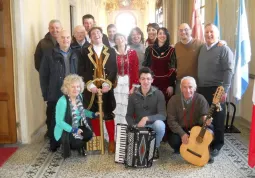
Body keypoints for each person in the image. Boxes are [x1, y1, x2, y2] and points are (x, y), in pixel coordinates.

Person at [78, 27, 117, 154]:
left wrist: (107, 83)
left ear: (102, 35)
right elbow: (82, 69)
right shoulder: (84, 51)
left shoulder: (110, 51)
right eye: (93, 34)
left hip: (106, 88)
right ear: (90, 37)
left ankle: (111, 140)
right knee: (95, 113)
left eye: (98, 33)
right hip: (92, 89)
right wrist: (90, 85)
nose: (96, 35)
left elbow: (113, 69)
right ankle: (99, 139)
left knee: (108, 113)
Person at [197, 23, 234, 158]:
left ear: (217, 34)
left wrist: (225, 90)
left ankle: (217, 145)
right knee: (204, 117)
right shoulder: (202, 48)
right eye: (206, 32)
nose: (209, 34)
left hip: (217, 90)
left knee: (218, 118)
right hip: (202, 88)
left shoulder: (223, 49)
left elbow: (229, 70)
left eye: (211, 32)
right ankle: (206, 141)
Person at [39, 30, 79, 151]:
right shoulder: (49, 54)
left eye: (67, 37)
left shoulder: (76, 54)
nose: (65, 40)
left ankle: (71, 142)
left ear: (71, 40)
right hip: (55, 93)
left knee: (71, 118)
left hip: (72, 93)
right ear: (57, 39)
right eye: (62, 38)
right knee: (54, 120)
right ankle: (54, 143)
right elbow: (43, 75)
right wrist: (46, 95)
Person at [167, 76, 214, 163]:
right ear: (180, 88)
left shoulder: (201, 99)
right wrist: (182, 134)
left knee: (210, 131)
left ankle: (203, 150)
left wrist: (204, 119)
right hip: (181, 128)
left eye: (190, 87)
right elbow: (171, 121)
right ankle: (183, 149)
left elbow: (204, 116)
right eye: (184, 87)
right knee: (174, 141)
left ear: (195, 88)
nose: (187, 90)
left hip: (196, 129)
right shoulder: (173, 100)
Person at [126, 67, 166, 160]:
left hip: (153, 125)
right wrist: (134, 125)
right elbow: (129, 115)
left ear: (152, 80)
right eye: (143, 79)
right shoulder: (133, 96)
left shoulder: (159, 94)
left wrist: (146, 118)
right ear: (139, 80)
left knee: (160, 125)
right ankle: (145, 146)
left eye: (148, 79)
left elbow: (163, 115)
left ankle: (155, 148)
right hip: (139, 126)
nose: (145, 81)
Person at [54, 74, 99, 158]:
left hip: (75, 127)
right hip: (64, 131)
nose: (76, 89)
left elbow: (82, 111)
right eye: (73, 87)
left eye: (78, 86)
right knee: (77, 141)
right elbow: (59, 121)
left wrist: (93, 114)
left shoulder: (79, 97)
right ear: (67, 88)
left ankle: (79, 146)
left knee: (89, 134)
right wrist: (74, 130)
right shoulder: (62, 101)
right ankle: (65, 145)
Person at [175, 23, 226, 94]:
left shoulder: (200, 44)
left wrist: (222, 42)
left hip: (195, 83)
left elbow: (211, 45)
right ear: (178, 32)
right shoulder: (176, 46)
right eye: (181, 30)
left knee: (195, 104)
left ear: (191, 30)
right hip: (180, 82)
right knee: (179, 104)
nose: (183, 32)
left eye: (186, 30)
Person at [143, 27, 176, 103]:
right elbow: (146, 67)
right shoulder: (149, 49)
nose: (162, 35)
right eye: (160, 33)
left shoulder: (171, 50)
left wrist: (171, 85)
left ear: (167, 36)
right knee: (152, 105)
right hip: (152, 82)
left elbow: (173, 68)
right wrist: (146, 83)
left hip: (166, 84)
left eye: (164, 33)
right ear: (157, 35)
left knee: (165, 105)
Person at [113, 33, 139, 126]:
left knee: (128, 106)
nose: (120, 40)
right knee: (117, 106)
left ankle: (128, 130)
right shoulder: (112, 53)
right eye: (117, 39)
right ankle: (117, 132)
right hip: (116, 84)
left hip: (129, 83)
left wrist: (134, 86)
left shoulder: (132, 52)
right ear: (115, 41)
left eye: (121, 38)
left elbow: (136, 69)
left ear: (125, 39)